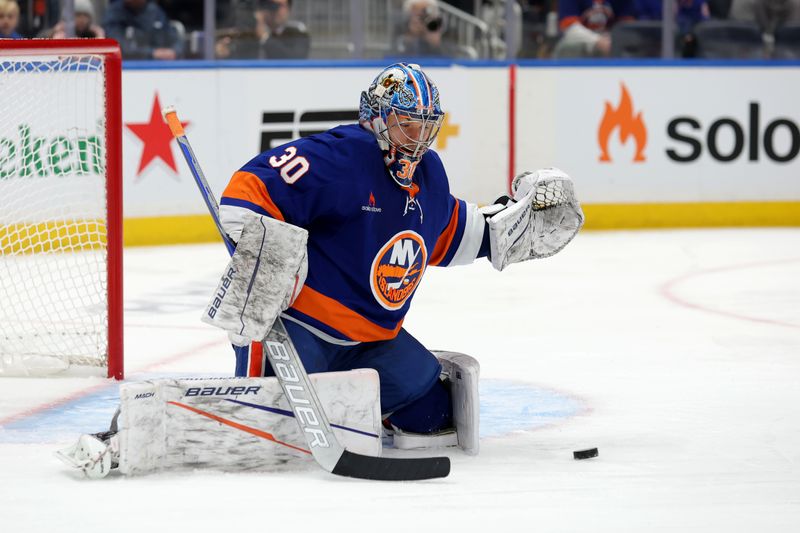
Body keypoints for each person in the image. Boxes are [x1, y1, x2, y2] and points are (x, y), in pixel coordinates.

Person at [56, 63, 583, 479]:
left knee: (431, 415)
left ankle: (350, 408)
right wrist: (277, 257)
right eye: (406, 121)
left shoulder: (431, 174)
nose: (417, 135)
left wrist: (511, 229)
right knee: (261, 427)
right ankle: (132, 428)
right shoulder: (340, 157)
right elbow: (246, 194)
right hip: (298, 331)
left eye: (426, 123)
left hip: (373, 340)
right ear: (376, 118)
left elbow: (455, 235)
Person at [216, 0, 310, 60]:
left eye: (280, 6)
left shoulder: (297, 31)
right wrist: (226, 54)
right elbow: (243, 59)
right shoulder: (251, 30)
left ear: (289, 8)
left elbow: (295, 59)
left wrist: (264, 37)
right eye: (271, 4)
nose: (275, 10)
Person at [103, 0, 183, 60]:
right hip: (127, 68)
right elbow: (117, 47)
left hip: (159, 67)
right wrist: (152, 53)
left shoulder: (155, 11)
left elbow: (174, 39)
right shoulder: (114, 13)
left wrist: (174, 51)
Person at [553, 0, 636, 57]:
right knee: (567, 47)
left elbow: (626, 27)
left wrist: (613, 41)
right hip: (580, 43)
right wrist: (597, 40)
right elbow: (569, 29)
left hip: (609, 42)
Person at [392, 0, 457, 57]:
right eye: (416, 11)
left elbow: (453, 55)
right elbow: (394, 53)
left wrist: (436, 43)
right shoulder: (401, 26)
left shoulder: (441, 25)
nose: (421, 14)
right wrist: (411, 36)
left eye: (425, 11)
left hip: (437, 65)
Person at [39, 0, 105, 39]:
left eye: (85, 15)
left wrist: (100, 37)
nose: (82, 20)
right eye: (78, 15)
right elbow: (40, 38)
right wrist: (53, 32)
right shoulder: (61, 33)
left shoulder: (93, 34)